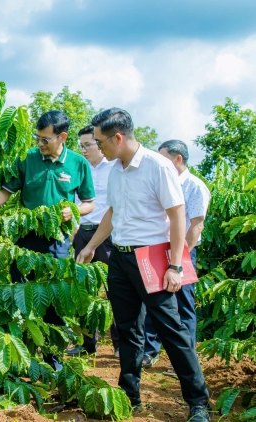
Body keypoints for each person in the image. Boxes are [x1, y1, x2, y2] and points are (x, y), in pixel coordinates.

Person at [76, 108, 210, 422]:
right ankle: (129, 396)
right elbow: (113, 213)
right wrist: (93, 246)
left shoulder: (157, 166)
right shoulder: (117, 170)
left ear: (118, 138)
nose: (98, 148)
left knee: (172, 331)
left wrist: (175, 267)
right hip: (120, 259)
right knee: (128, 330)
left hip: (151, 258)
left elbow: (178, 216)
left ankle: (198, 403)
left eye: (100, 142)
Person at [0, 110, 96, 370]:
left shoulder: (78, 164)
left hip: (57, 242)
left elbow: (90, 203)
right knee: (19, 296)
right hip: (24, 239)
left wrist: (74, 210)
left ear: (62, 137)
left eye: (45, 139)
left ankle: (53, 361)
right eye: (37, 138)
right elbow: (3, 194)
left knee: (53, 301)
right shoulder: (27, 159)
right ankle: (18, 360)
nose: (39, 144)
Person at [141, 140, 211, 376]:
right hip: (158, 249)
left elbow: (196, 224)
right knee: (154, 299)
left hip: (182, 252)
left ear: (178, 159)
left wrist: (179, 258)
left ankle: (182, 360)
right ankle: (150, 352)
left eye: (164, 158)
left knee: (183, 305)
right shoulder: (162, 182)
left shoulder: (194, 186)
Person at [65, 125, 120, 358]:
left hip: (108, 235)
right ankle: (89, 343)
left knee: (114, 289)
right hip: (83, 232)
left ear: (100, 144)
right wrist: (74, 230)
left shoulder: (116, 168)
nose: (84, 150)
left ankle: (120, 344)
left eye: (88, 144)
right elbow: (77, 200)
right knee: (83, 290)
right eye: (81, 146)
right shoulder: (80, 167)